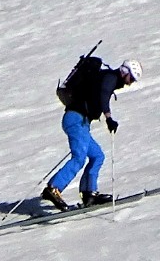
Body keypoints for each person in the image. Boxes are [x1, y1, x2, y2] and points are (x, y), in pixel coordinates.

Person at [41, 57, 142, 210]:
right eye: (131, 78)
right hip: (76, 120)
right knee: (79, 158)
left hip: (81, 122)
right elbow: (103, 95)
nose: (130, 83)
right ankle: (54, 188)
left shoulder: (108, 78)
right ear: (125, 72)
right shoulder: (110, 78)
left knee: (97, 155)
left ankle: (89, 194)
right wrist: (109, 118)